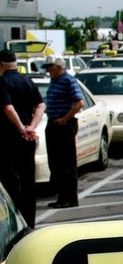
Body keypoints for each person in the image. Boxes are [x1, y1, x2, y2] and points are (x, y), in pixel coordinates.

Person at [0, 49, 45, 227]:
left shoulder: (2, 82)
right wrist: (31, 127)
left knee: (9, 182)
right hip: (28, 140)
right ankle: (30, 222)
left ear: (1, 65)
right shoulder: (27, 81)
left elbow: (9, 109)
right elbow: (41, 105)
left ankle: (15, 222)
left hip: (8, 138)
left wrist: (21, 129)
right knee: (28, 182)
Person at [42, 54, 84, 209]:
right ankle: (62, 196)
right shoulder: (54, 80)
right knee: (56, 163)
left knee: (66, 163)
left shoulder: (67, 80)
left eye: (50, 67)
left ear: (59, 67)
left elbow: (79, 103)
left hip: (63, 125)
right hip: (53, 122)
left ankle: (70, 197)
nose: (48, 71)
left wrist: (65, 118)